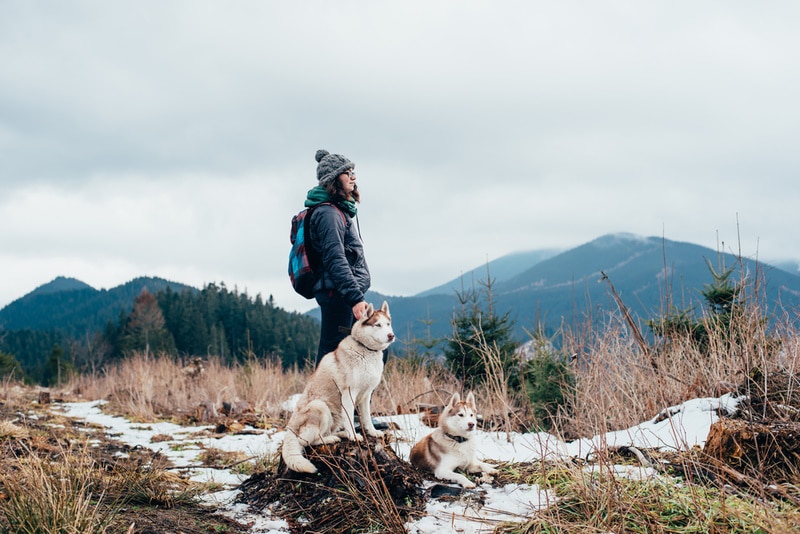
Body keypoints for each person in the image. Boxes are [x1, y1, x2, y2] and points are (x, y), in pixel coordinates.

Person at [306, 149, 371, 366]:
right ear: (334, 179)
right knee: (334, 355)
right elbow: (335, 258)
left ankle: (332, 399)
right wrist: (354, 297)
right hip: (340, 295)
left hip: (341, 293)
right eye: (348, 172)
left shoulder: (336, 211)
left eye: (353, 172)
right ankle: (321, 399)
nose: (353, 177)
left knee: (344, 353)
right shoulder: (328, 214)